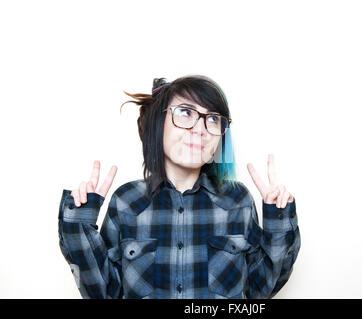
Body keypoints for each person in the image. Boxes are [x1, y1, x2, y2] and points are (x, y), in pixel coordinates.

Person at [57, 75, 301, 299]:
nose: (200, 129)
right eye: (185, 112)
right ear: (158, 123)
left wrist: (278, 219)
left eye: (213, 119)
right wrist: (79, 221)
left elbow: (261, 290)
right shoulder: (126, 201)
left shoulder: (238, 200)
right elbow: (102, 292)